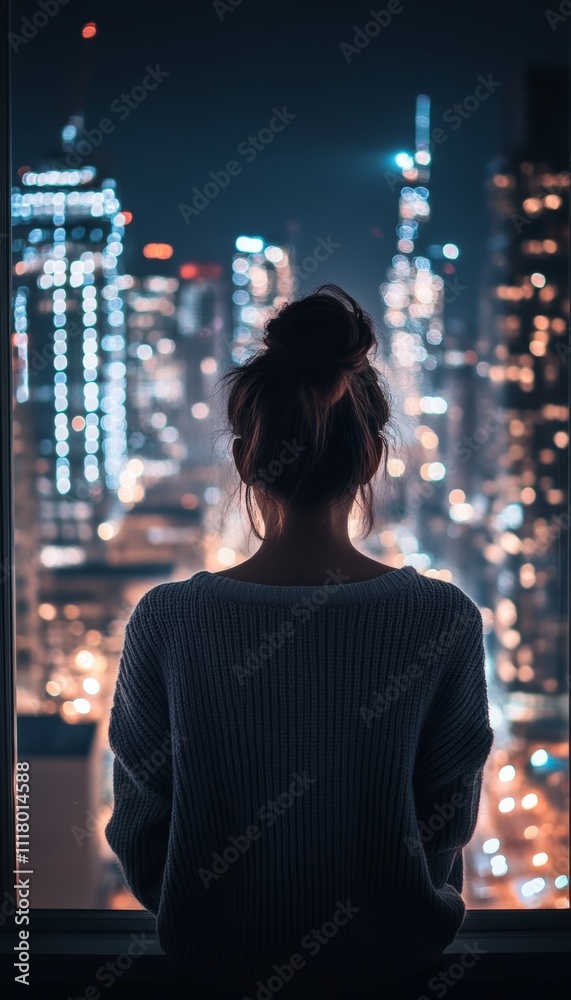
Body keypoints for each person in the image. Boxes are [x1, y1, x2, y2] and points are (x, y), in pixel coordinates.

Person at [105, 285, 494, 999]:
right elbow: (444, 825)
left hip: (208, 980)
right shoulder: (442, 622)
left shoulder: (167, 622)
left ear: (245, 458)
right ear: (373, 457)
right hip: (393, 980)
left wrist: (219, 920)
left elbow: (141, 828)